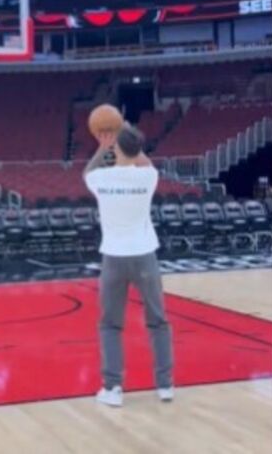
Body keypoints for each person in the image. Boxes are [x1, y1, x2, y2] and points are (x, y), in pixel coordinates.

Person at [83, 122, 174, 407]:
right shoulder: (148, 176)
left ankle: (112, 388)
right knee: (158, 321)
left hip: (114, 257)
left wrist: (103, 147)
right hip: (145, 255)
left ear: (116, 149)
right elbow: (143, 160)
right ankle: (165, 385)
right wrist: (130, 140)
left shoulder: (101, 178)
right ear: (137, 149)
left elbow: (86, 172)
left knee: (110, 324)